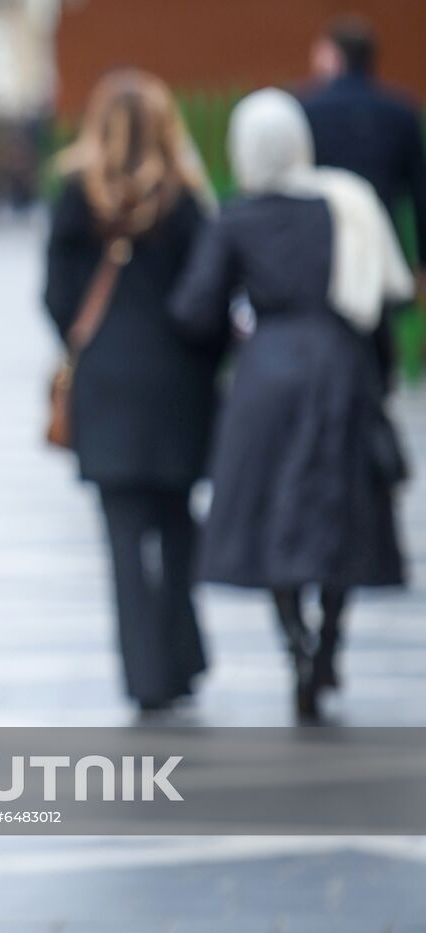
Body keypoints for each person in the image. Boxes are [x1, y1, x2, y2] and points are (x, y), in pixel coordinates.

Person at [171, 88, 412, 721]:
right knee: (338, 514)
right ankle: (330, 641)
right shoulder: (345, 205)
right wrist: (380, 378)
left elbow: (196, 309)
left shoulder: (239, 217)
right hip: (342, 367)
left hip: (267, 377)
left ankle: (296, 645)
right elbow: (381, 303)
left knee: (272, 516)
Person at [44, 70, 220, 715]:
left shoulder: (74, 193)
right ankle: (184, 658)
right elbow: (211, 300)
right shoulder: (188, 201)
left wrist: (85, 341)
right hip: (178, 383)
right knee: (178, 521)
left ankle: (145, 676)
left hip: (106, 384)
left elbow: (56, 295)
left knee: (121, 536)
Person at [303, 15, 426, 287]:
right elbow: (421, 193)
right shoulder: (403, 112)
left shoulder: (305, 110)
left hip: (322, 247)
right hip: (382, 247)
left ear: (332, 56)